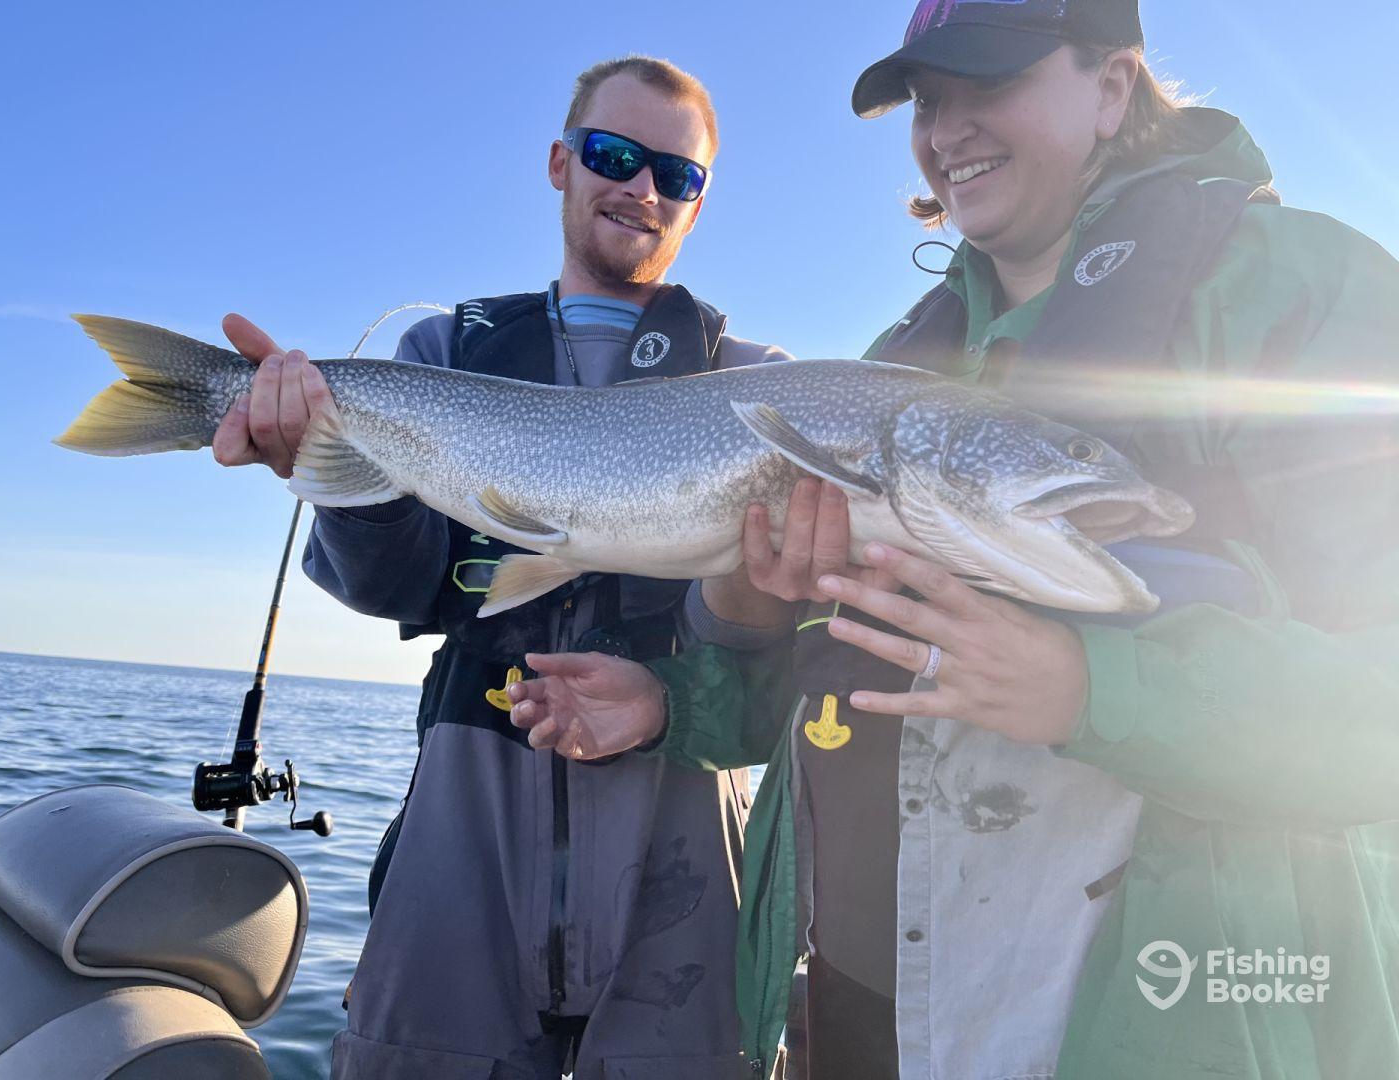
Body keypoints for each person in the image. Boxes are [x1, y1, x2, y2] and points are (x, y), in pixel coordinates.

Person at [508, 3, 1399, 1077]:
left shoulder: (1299, 288)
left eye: (991, 80)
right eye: (928, 100)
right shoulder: (897, 365)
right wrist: (686, 682)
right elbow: (813, 696)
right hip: (854, 1015)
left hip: (1162, 1025)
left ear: (1115, 85)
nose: (948, 129)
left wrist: (1088, 687)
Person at [211, 56, 789, 1079]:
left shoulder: (755, 388)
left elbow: (780, 652)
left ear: (701, 202)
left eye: (678, 174)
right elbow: (392, 585)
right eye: (615, 155)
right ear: (561, 163)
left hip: (687, 832)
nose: (644, 189)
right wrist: (330, 469)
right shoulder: (445, 351)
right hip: (467, 809)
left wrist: (671, 691)